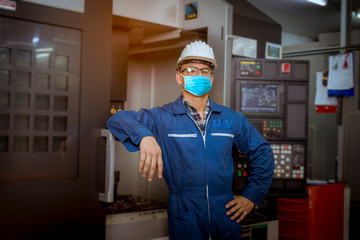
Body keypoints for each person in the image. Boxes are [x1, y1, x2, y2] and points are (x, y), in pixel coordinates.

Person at [106, 40, 274, 239]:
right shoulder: (162, 118)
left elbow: (262, 152)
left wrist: (252, 196)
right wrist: (146, 137)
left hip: (226, 214)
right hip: (185, 213)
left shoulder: (230, 119)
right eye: (191, 70)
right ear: (180, 77)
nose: (199, 75)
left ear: (211, 79)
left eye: (204, 71)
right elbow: (116, 119)